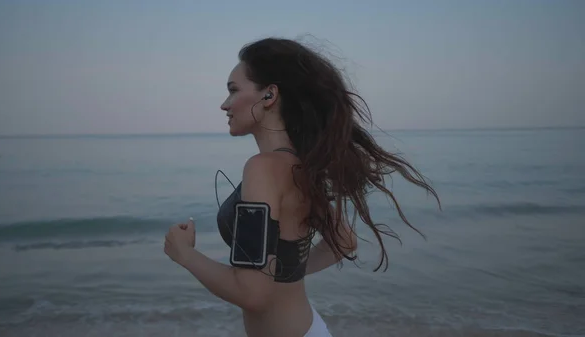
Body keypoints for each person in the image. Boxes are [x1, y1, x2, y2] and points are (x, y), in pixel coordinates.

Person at [164, 37, 440, 337]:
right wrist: (288, 275)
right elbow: (344, 241)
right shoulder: (301, 166)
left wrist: (185, 255)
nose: (224, 104)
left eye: (233, 91)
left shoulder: (263, 168)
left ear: (269, 95)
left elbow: (254, 296)